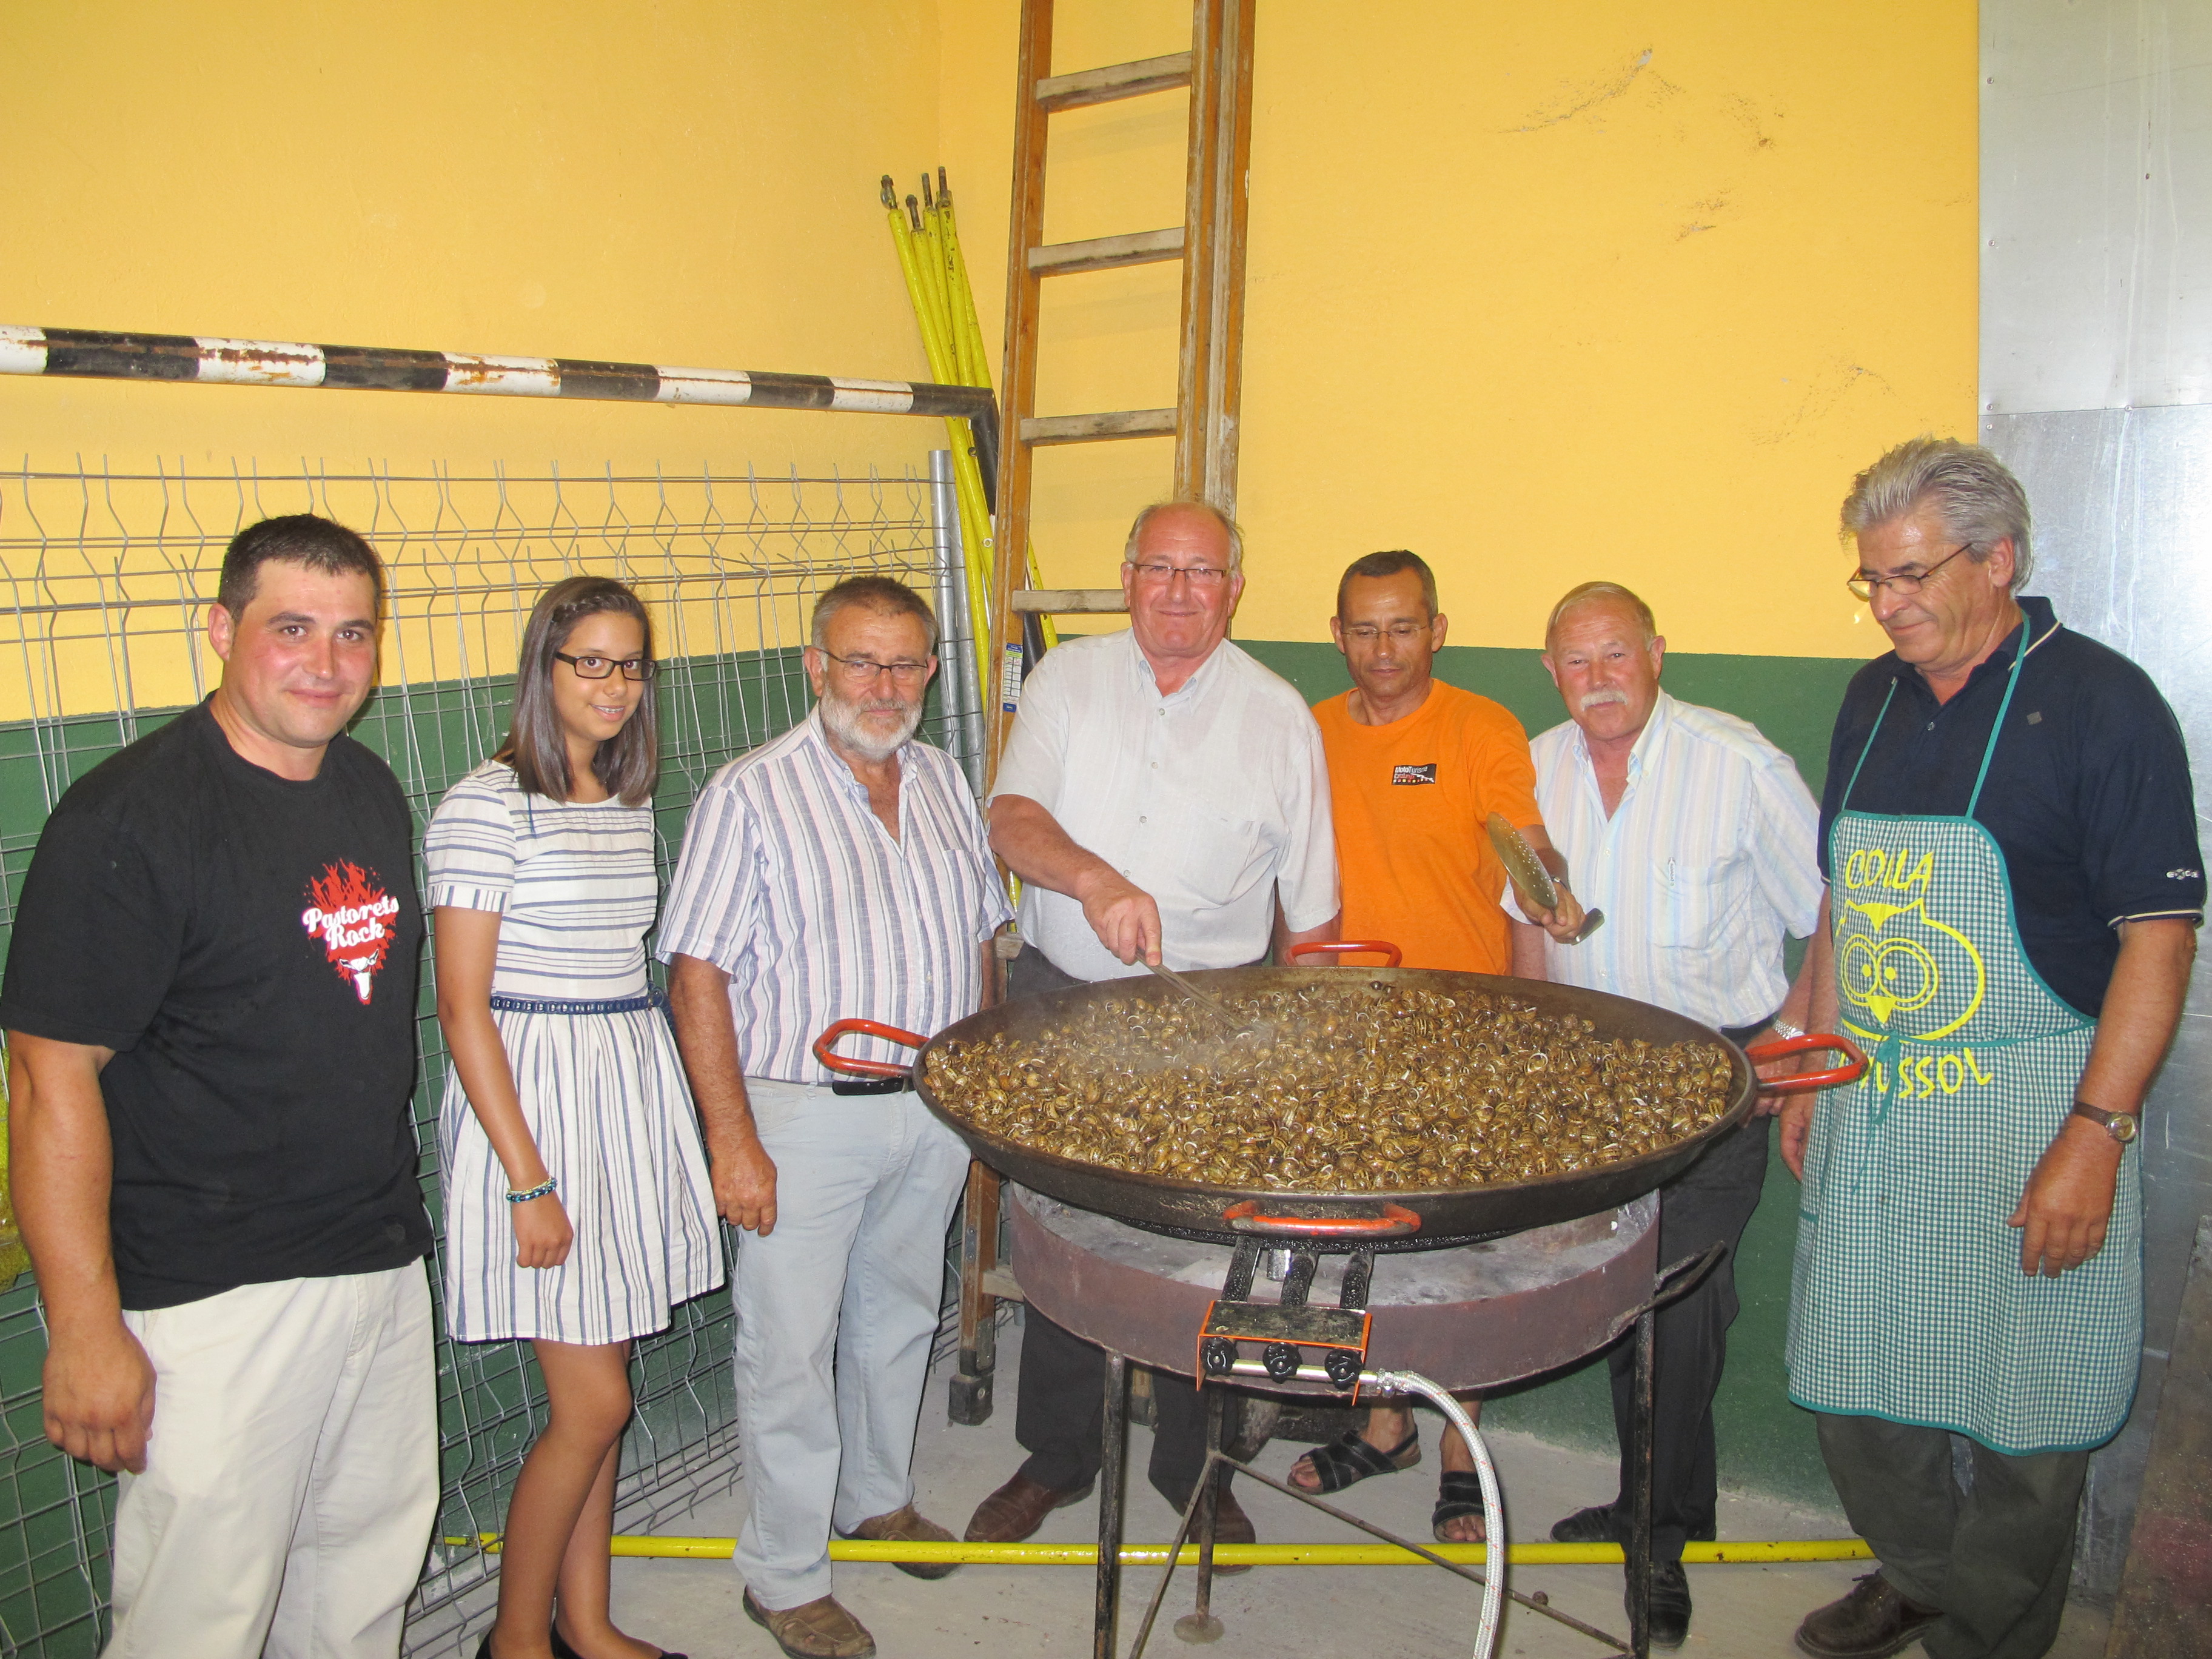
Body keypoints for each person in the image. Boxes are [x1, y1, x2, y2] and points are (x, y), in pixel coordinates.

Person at [1783, 439, 2200, 1659]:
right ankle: (1918, 1574)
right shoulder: (1872, 699)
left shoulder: (2104, 704)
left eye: (1911, 575)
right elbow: (1846, 899)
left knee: (2031, 1411)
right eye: (1872, 580)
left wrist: (2096, 1136)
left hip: (2033, 1112)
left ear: (2000, 556)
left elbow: (2159, 938)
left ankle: (1991, 1630)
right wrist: (1812, 1048)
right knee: (1858, 1380)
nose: (1889, 604)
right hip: (1875, 1101)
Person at [1, 514, 438, 1657]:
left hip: (376, 1260)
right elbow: (49, 1080)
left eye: (353, 633)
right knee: (197, 1624)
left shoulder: (368, 787)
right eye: (292, 629)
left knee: (359, 1593)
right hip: (214, 1300)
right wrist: (84, 1328)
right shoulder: (128, 820)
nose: (327, 663)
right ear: (220, 629)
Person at [965, 498, 1341, 1558]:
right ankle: (1058, 1455)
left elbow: (1313, 920)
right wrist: (1098, 881)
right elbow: (1010, 820)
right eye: (1160, 568)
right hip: (1064, 1003)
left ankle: (1196, 1466)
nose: (1180, 591)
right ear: (1127, 577)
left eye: (1203, 572)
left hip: (1210, 1023)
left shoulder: (1280, 718)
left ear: (1235, 591)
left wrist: (1303, 1057)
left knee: (1203, 1249)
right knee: (1060, 1231)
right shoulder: (1067, 680)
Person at [660, 576, 1009, 1659]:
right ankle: (783, 1575)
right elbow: (698, 973)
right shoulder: (750, 794)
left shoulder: (945, 779)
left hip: (931, 1110)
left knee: (899, 1316)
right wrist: (732, 1140)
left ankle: (875, 1499)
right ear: (815, 666)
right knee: (790, 1348)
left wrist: (975, 1100)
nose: (884, 686)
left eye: (905, 664)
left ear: (932, 671)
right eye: (861, 662)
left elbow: (983, 939)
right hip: (801, 1115)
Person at [1512, 580, 1827, 1647]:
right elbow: (1526, 919)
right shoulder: (1535, 767)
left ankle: (1657, 1539)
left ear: (1657, 652)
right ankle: (1661, 1497)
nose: (1598, 677)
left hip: (1714, 1079)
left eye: (1617, 653)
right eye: (1576, 660)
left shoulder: (1738, 765)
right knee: (1618, 1291)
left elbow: (1833, 904)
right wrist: (1533, 1048)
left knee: (1677, 1303)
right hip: (1588, 1083)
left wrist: (1791, 1033)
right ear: (1550, 671)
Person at [427, 577, 720, 1659]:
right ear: (542, 667)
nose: (614, 684)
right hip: (537, 1109)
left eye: (630, 663)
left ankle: (586, 1626)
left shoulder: (624, 797)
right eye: (588, 661)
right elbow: (462, 1009)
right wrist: (529, 1180)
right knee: (592, 1404)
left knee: (608, 1390)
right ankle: (515, 1640)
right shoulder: (485, 805)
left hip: (623, 1091)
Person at [1292, 549, 1587, 1544]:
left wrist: (1545, 882)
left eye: (1403, 627)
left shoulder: (1479, 728)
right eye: (1364, 629)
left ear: (1437, 630)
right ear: (1338, 635)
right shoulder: (1310, 730)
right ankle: (1386, 1428)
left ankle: (1462, 1448)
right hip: (1343, 1035)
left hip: (1461, 1038)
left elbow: (1522, 837)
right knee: (1365, 1244)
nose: (1384, 649)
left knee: (1459, 1255)